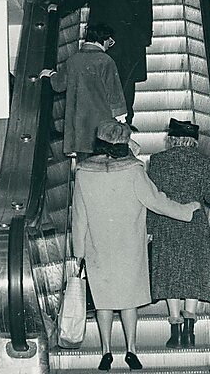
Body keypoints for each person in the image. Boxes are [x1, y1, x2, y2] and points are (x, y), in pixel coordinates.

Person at [72, 121, 200, 370]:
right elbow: (156, 201)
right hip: (129, 245)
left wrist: (79, 251)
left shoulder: (83, 173)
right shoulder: (133, 170)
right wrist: (186, 210)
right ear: (125, 142)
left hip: (96, 245)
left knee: (104, 302)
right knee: (129, 301)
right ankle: (131, 350)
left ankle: (106, 352)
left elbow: (79, 216)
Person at [145, 118, 210, 348]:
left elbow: (151, 198)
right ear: (194, 141)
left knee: (169, 273)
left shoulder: (157, 161)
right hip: (194, 223)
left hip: (165, 222)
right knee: (193, 272)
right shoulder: (206, 162)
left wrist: (149, 228)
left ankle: (175, 331)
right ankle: (190, 330)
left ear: (172, 138)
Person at [50, 0, 152, 128]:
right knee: (126, 83)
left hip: (104, 40)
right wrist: (144, 39)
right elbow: (147, 11)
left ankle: (104, 127)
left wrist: (59, 10)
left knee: (102, 82)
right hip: (132, 43)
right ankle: (125, 124)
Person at [39, 24, 127, 161]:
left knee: (83, 164)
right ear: (104, 40)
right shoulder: (105, 61)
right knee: (103, 162)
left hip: (79, 127)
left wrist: (51, 74)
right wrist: (121, 115)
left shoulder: (73, 60)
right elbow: (114, 91)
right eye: (110, 41)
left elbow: (58, 86)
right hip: (102, 125)